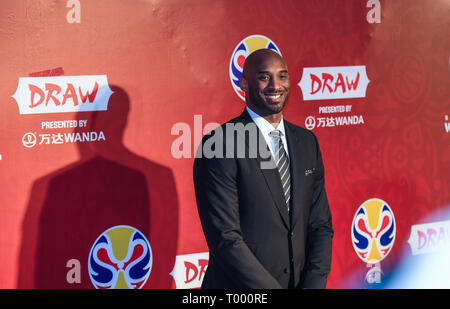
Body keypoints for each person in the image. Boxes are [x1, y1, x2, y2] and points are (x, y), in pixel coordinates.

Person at [193, 49, 333, 289]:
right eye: (264, 77)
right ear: (244, 84)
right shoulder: (220, 144)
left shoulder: (307, 142)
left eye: (282, 76)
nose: (275, 85)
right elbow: (226, 239)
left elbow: (320, 225)